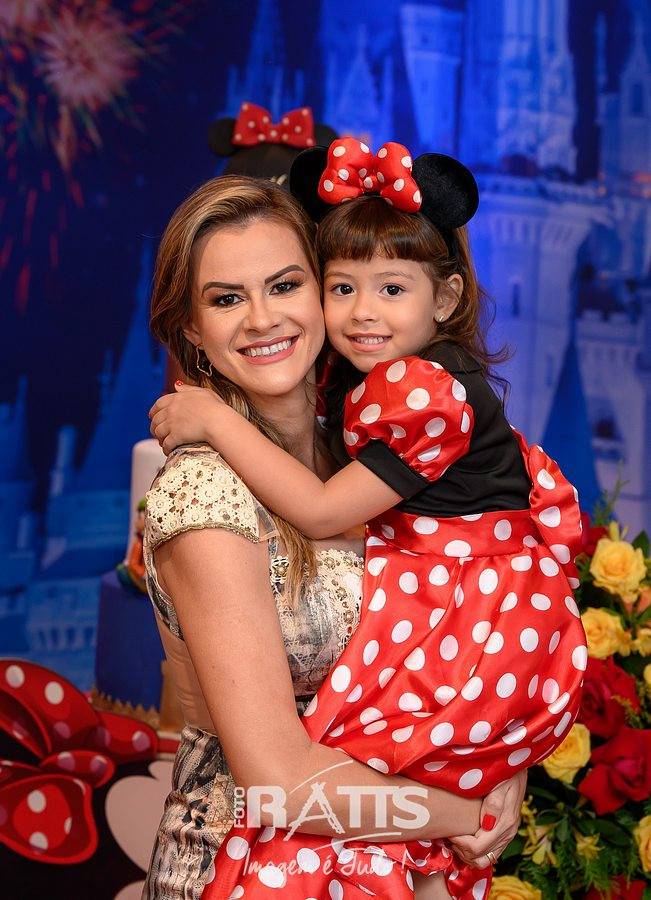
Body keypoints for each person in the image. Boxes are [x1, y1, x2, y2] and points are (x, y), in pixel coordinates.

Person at [149, 141, 586, 899]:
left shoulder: (363, 451)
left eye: (286, 285)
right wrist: (465, 810)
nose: (262, 318)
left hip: (386, 861)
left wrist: (496, 761)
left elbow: (459, 641)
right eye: (225, 300)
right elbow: (277, 787)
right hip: (249, 866)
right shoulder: (204, 494)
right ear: (192, 330)